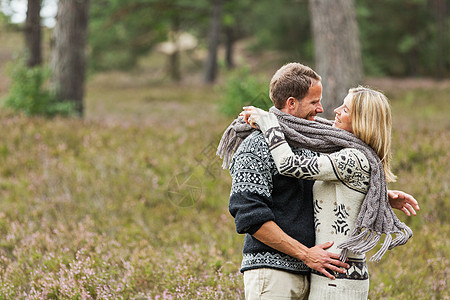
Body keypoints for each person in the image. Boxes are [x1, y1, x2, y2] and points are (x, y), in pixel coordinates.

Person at [216, 63, 419, 300]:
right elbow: (249, 216)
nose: (322, 109)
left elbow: (327, 189)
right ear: (291, 103)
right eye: (314, 102)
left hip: (316, 276)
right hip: (273, 275)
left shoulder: (315, 144)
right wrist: (305, 254)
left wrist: (375, 194)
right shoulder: (257, 145)